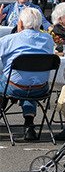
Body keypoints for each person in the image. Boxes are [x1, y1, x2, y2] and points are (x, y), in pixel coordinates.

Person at [0, 8, 55, 141]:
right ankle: (29, 124)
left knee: (10, 80)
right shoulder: (48, 39)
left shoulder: (9, 40)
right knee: (31, 77)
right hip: (40, 88)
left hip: (15, 87)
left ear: (20, 23)